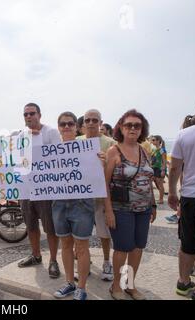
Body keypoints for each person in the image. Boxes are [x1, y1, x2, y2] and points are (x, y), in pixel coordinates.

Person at [52, 112, 105, 300]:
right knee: (65, 245)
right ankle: (69, 283)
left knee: (81, 247)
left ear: (77, 127)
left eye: (70, 124)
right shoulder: (51, 151)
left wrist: (101, 162)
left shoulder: (87, 148)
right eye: (62, 124)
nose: (66, 127)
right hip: (59, 203)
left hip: (82, 203)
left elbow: (98, 175)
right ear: (58, 127)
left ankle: (81, 287)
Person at [105, 109, 156, 300]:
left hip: (143, 209)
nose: (133, 128)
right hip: (121, 209)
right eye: (129, 125)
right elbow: (105, 183)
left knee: (137, 248)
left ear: (142, 129)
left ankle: (130, 285)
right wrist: (108, 211)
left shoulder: (144, 150)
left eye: (137, 125)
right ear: (121, 127)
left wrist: (153, 204)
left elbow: (148, 179)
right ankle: (115, 286)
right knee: (122, 248)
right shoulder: (114, 150)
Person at [17, 103, 62, 278]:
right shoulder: (21, 135)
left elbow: (59, 157)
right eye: (25, 114)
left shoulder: (50, 132)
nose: (28, 117)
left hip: (45, 190)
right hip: (25, 189)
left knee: (50, 227)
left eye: (31, 113)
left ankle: (53, 260)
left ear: (39, 115)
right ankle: (36, 255)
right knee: (31, 225)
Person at [168, 100, 195, 300]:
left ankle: (183, 282)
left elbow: (175, 168)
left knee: (188, 243)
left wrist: (172, 192)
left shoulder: (184, 134)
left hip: (189, 196)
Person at [78, 109, 116, 281]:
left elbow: (115, 171)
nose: (91, 123)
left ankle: (107, 261)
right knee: (80, 232)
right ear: (84, 123)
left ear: (101, 123)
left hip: (101, 197)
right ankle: (84, 263)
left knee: (104, 233)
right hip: (81, 196)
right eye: (88, 120)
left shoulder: (110, 143)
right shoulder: (76, 142)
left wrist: (106, 162)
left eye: (95, 120)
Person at [150, 135, 167, 204]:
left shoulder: (161, 149)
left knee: (160, 184)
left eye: (153, 140)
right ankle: (159, 198)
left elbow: (164, 160)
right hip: (154, 168)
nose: (152, 141)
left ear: (158, 141)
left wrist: (163, 170)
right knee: (156, 184)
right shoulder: (154, 149)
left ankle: (161, 199)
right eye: (152, 140)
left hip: (159, 169)